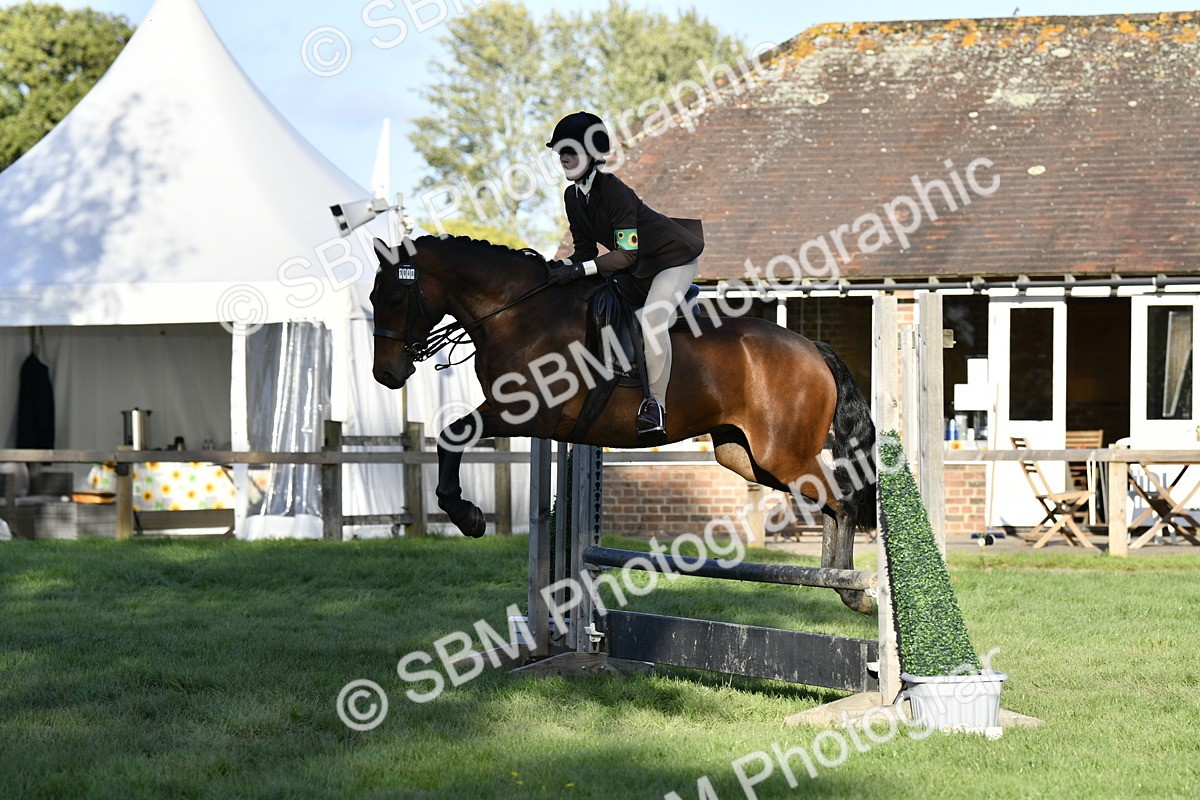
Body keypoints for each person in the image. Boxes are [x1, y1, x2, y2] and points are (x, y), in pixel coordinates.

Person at [545, 111, 704, 437]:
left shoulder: (614, 192)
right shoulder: (572, 197)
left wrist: (579, 269)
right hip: (636, 268)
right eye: (560, 151)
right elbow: (585, 253)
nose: (564, 157)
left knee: (651, 320)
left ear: (591, 155)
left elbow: (626, 253)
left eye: (570, 150)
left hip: (671, 261)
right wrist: (557, 267)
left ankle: (655, 406)